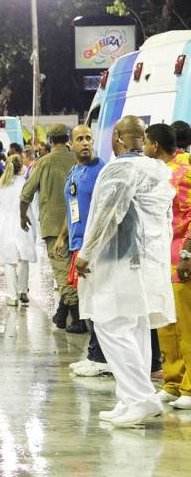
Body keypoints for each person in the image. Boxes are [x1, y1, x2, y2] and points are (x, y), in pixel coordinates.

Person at [76, 116, 175, 428]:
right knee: (135, 327)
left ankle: (141, 398)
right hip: (147, 264)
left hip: (120, 263)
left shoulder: (121, 168)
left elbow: (109, 214)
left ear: (117, 136)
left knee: (110, 325)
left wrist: (86, 253)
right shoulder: (157, 168)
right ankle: (130, 397)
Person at [54, 126, 109, 372]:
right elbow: (72, 206)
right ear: (71, 145)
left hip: (95, 247)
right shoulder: (74, 172)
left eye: (89, 138)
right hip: (77, 245)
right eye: (80, 139)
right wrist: (62, 236)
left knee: (98, 304)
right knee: (87, 303)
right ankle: (95, 354)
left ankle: (100, 357)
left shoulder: (102, 171)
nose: (85, 143)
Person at [143, 123, 191, 409]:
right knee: (167, 324)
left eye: (146, 141)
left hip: (181, 258)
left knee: (187, 325)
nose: (143, 147)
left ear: (155, 146)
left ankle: (189, 388)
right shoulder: (160, 171)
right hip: (161, 257)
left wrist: (187, 252)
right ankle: (172, 383)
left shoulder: (184, 170)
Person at [20, 124, 77, 329]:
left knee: (62, 271)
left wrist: (22, 216)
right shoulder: (79, 159)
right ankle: (61, 316)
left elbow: (26, 194)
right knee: (76, 270)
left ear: (51, 141)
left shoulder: (42, 163)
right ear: (68, 139)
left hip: (53, 226)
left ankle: (77, 319)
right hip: (79, 224)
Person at [0, 155, 37, 306]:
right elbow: (32, 204)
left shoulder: (1, 184)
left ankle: (13, 297)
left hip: (5, 224)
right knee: (24, 258)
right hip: (24, 222)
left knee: (10, 261)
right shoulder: (26, 183)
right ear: (22, 168)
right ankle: (23, 292)